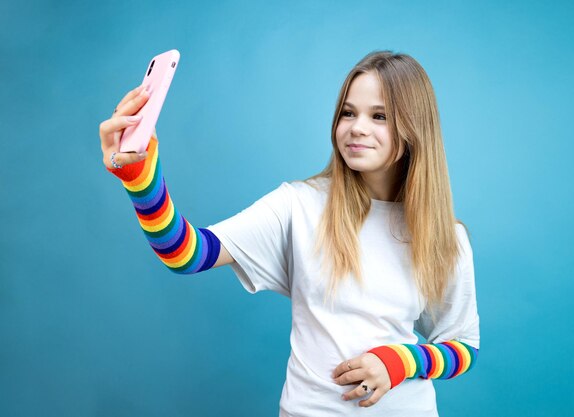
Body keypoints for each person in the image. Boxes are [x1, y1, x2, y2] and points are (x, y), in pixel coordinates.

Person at [99, 50, 480, 416]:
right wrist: (139, 177)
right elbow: (185, 253)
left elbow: (463, 348)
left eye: (379, 116)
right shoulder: (299, 206)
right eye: (348, 113)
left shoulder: (445, 236)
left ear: (415, 127)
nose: (357, 127)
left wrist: (404, 359)